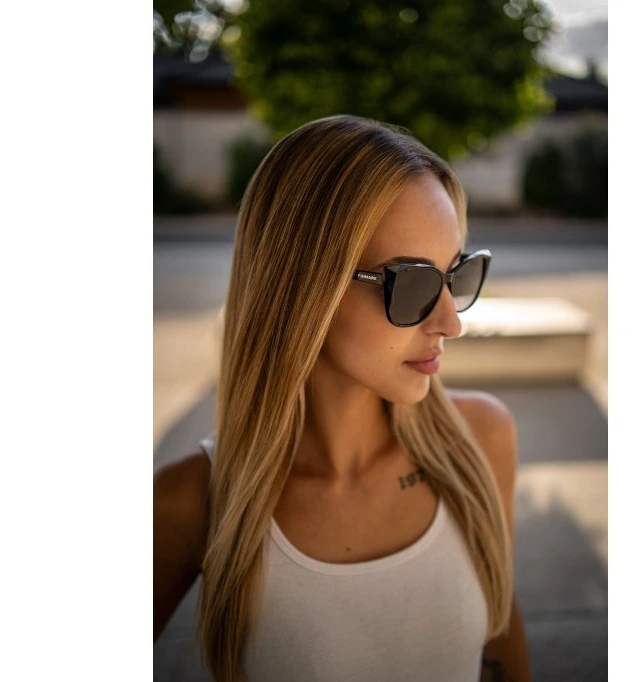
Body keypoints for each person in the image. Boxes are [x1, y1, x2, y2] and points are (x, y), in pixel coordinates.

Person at [153, 114, 531, 682]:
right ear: (305, 285)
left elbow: (500, 649)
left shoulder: (481, 439)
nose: (450, 323)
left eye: (456, 275)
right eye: (412, 283)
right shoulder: (193, 504)